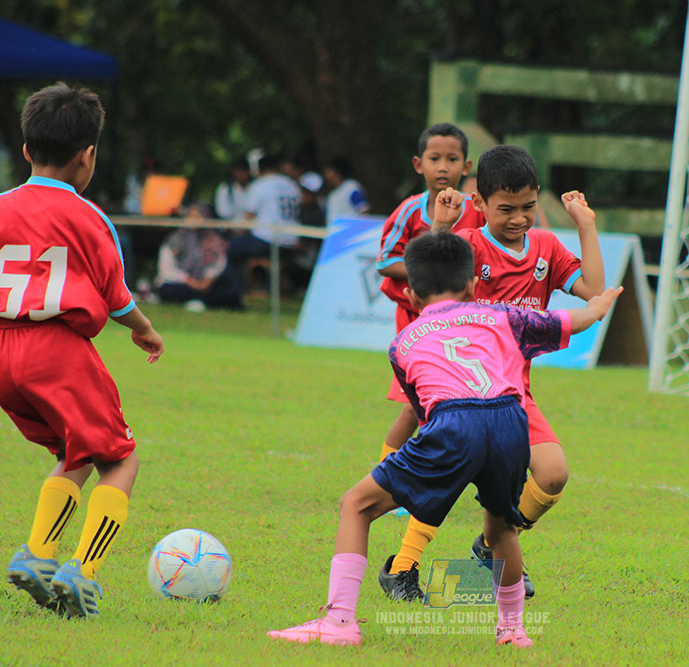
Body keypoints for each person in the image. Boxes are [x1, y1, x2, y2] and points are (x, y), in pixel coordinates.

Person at [266, 231, 622, 647]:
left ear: (412, 297)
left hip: (454, 423)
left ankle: (340, 624)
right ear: (473, 286)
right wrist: (596, 307)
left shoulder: (402, 344)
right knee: (502, 527)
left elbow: (423, 411)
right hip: (512, 419)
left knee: (356, 505)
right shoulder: (503, 316)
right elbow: (568, 322)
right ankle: (512, 630)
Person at [0, 83, 165, 618]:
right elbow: (117, 297)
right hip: (58, 350)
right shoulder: (90, 219)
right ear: (88, 156)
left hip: (2, 355)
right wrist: (144, 330)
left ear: (26, 150)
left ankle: (38, 558)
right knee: (121, 461)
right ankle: (81, 571)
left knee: (74, 453)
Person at [431, 145, 604, 599]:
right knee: (435, 489)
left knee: (553, 475)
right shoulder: (468, 245)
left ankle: (490, 548)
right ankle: (405, 568)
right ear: (480, 203)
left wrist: (585, 226)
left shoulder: (545, 246)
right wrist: (440, 229)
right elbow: (431, 292)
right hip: (462, 395)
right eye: (506, 209)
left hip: (514, 397)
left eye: (528, 207)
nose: (519, 218)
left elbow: (594, 293)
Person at [373, 124, 483, 599]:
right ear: (419, 166)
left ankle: (393, 484)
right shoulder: (410, 211)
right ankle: (388, 480)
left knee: (423, 411)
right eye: (434, 159)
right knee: (415, 408)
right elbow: (385, 261)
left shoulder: (473, 214)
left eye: (452, 159)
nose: (443, 167)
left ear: (466, 166)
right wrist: (426, 270)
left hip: (459, 328)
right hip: (416, 327)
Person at [154, 204, 244, 311]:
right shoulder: (175, 240)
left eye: (198, 216)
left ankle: (199, 301)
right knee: (168, 290)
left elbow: (219, 264)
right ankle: (199, 301)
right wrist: (189, 280)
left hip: (207, 284)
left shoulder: (214, 240)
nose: (194, 220)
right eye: (191, 216)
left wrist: (208, 280)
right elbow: (166, 269)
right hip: (184, 283)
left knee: (229, 291)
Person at [226, 153, 300, 282]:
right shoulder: (292, 185)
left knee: (229, 249)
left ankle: (237, 288)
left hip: (267, 240)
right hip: (291, 241)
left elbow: (249, 218)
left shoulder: (260, 185)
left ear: (259, 169)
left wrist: (238, 235)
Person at [290, 171, 327, 289]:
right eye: (303, 191)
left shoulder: (316, 213)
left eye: (308, 193)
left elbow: (305, 245)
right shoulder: (300, 209)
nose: (304, 195)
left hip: (308, 259)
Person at [323, 156, 369, 226]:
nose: (326, 175)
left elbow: (363, 210)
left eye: (328, 172)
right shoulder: (332, 195)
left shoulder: (351, 187)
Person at [214, 156, 252, 221]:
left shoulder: (255, 188)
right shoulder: (225, 189)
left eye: (244, 171)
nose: (241, 174)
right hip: (230, 227)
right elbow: (223, 212)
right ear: (233, 172)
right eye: (238, 171)